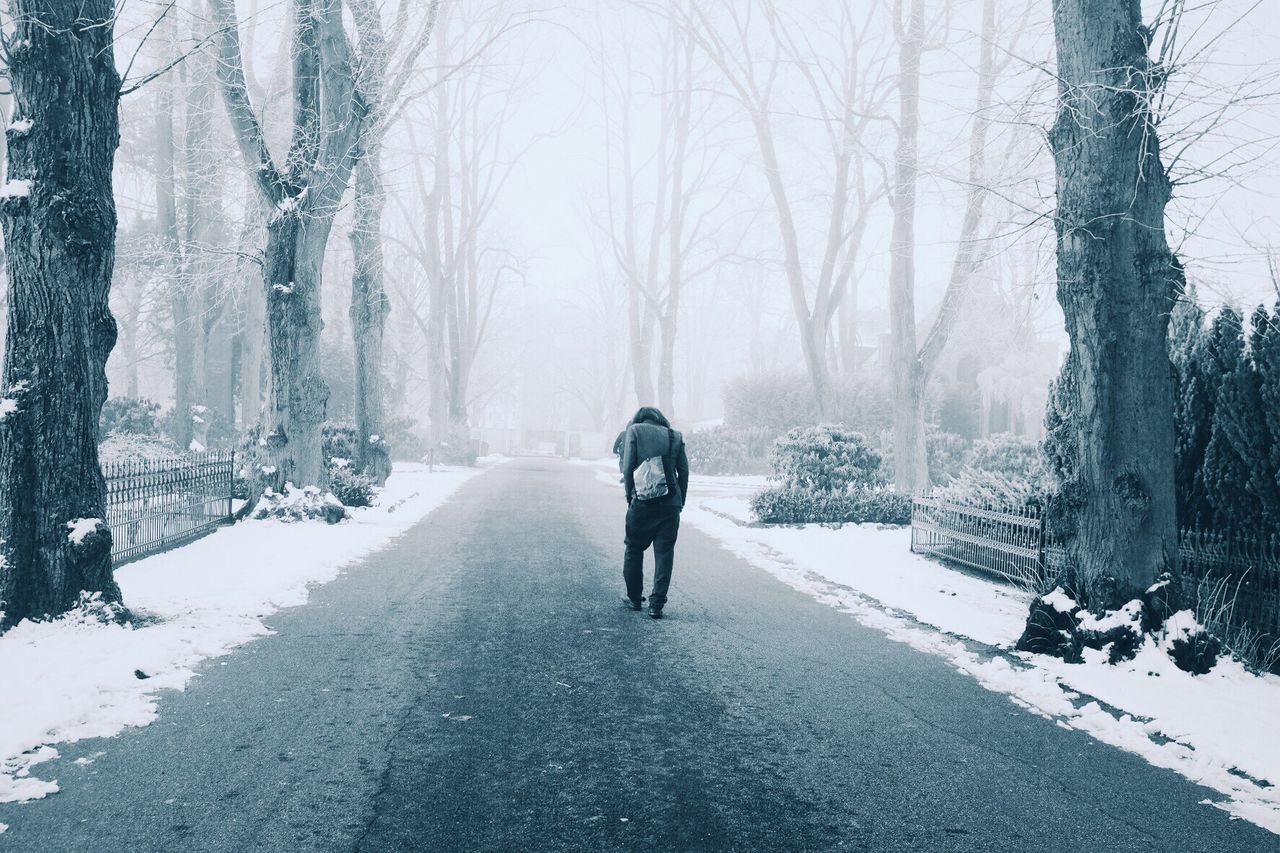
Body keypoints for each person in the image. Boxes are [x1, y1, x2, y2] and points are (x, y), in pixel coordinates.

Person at [618, 406, 689, 619]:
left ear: (640, 419)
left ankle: (633, 598)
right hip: (670, 504)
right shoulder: (674, 435)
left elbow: (628, 466)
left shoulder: (635, 431)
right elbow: (683, 471)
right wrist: (680, 501)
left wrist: (630, 495)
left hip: (642, 501)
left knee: (634, 548)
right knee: (664, 553)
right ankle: (656, 605)